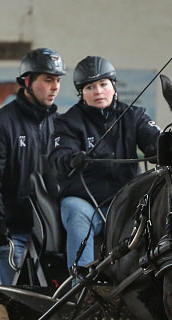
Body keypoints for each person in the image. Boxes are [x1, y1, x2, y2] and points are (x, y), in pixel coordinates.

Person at [50, 56, 160, 274]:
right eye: (90, 87)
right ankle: (80, 283)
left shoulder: (134, 116)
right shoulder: (68, 121)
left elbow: (155, 141)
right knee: (76, 210)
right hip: (86, 203)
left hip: (126, 203)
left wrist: (162, 148)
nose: (98, 91)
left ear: (113, 86)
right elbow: (59, 156)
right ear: (81, 92)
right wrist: (72, 158)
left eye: (103, 84)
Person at [0, 47, 66, 285]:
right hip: (14, 232)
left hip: (54, 235)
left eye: (57, 80)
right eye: (47, 80)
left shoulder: (62, 126)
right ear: (27, 81)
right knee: (21, 302)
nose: (55, 86)